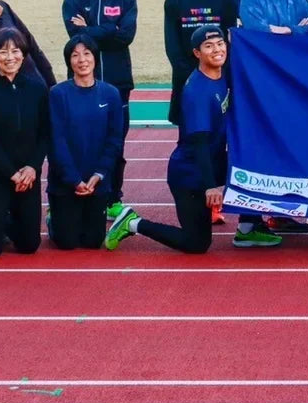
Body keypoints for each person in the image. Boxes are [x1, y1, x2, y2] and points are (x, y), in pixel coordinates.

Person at [107, 27, 251, 253]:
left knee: (254, 173)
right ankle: (132, 223)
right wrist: (211, 186)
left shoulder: (224, 74)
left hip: (215, 161)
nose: (217, 50)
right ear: (197, 53)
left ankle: (251, 225)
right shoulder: (197, 91)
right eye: (209, 46)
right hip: (189, 174)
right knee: (197, 244)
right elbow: (199, 143)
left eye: (220, 44)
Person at [236, 0, 308, 239]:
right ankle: (248, 222)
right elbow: (257, 34)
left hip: (293, 90)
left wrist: (289, 30)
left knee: (288, 149)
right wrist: (293, 31)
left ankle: (283, 214)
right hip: (259, 89)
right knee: (258, 149)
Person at [60, 0, 138, 219]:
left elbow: (125, 36)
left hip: (118, 85)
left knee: (115, 144)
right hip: (79, 87)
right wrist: (109, 29)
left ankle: (113, 198)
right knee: (77, 141)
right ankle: (76, 189)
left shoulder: (127, 0)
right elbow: (75, 35)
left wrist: (89, 28)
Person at [0, 29, 48, 259]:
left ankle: (3, 219)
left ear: (23, 55)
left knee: (29, 246)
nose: (10, 57)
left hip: (28, 175)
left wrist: (32, 167)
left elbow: (45, 132)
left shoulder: (37, 88)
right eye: (3, 52)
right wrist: (11, 172)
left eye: (15, 51)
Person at [46, 36, 126, 250]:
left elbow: (114, 138)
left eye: (87, 53)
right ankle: (53, 217)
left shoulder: (110, 93)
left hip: (96, 181)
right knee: (67, 243)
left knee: (92, 242)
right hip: (65, 182)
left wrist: (99, 174)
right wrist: (73, 178)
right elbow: (57, 139)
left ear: (95, 58)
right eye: (75, 55)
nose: (82, 60)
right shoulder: (57, 94)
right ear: (68, 61)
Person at [162, 0, 238, 124]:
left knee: (219, 138)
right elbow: (173, 48)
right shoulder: (174, 2)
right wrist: (196, 78)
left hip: (218, 81)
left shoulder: (227, 1)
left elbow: (229, 44)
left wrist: (216, 77)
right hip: (186, 81)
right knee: (187, 140)